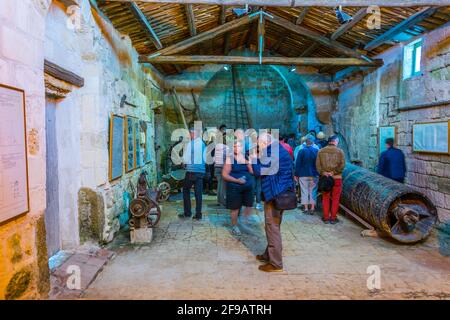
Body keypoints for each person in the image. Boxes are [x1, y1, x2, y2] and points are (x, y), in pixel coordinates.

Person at [251, 132, 295, 272]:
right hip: (281, 191)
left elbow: (259, 171)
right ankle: (268, 254)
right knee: (274, 225)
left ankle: (276, 263)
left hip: (276, 194)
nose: (259, 147)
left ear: (265, 143)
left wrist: (253, 159)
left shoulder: (272, 152)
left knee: (272, 226)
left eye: (259, 144)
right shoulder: (277, 149)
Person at [222, 141, 254, 236]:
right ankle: (234, 226)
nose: (236, 148)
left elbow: (252, 172)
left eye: (238, 146)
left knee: (249, 205)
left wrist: (248, 163)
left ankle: (243, 222)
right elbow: (224, 175)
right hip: (234, 187)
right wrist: (237, 180)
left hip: (247, 186)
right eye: (234, 146)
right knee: (235, 208)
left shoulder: (246, 157)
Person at [316, 135, 345, 225]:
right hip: (336, 178)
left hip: (325, 178)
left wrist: (323, 172)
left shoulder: (321, 151)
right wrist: (333, 172)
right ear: (335, 141)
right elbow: (342, 165)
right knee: (336, 198)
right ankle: (333, 218)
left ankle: (326, 217)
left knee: (325, 197)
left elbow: (317, 165)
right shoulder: (340, 152)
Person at [182, 128, 206, 220]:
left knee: (186, 190)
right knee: (198, 194)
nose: (189, 135)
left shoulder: (191, 144)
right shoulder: (203, 144)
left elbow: (186, 158)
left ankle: (187, 213)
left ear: (193, 134)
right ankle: (198, 214)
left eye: (190, 133)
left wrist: (183, 163)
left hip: (191, 171)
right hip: (200, 171)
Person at [295, 135, 319, 214]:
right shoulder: (316, 151)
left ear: (305, 142)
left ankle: (305, 208)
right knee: (313, 191)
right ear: (313, 142)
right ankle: (312, 208)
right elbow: (318, 164)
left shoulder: (301, 151)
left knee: (304, 191)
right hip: (314, 174)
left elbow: (297, 164)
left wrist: (296, 175)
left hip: (303, 174)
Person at [214, 126, 229, 207]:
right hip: (222, 167)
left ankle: (219, 201)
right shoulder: (226, 148)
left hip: (216, 167)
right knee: (223, 185)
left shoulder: (217, 146)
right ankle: (222, 201)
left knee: (219, 184)